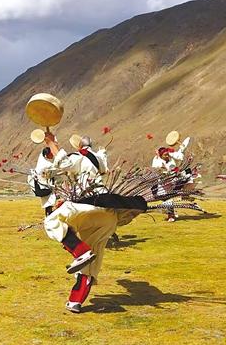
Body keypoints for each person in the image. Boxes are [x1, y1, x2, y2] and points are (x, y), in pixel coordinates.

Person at [42, 131, 148, 313]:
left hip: (91, 206)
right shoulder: (99, 159)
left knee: (52, 221)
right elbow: (102, 168)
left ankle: (80, 251)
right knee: (92, 259)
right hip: (110, 215)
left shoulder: (79, 156)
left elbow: (64, 163)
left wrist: (52, 143)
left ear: (79, 147)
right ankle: (75, 301)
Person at [151, 136, 191, 221]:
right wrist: (166, 172)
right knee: (168, 200)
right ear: (161, 156)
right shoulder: (157, 161)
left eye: (167, 154)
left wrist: (183, 147)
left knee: (188, 174)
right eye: (165, 155)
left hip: (172, 181)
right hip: (163, 184)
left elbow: (179, 154)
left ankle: (184, 195)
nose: (167, 156)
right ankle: (170, 215)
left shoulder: (170, 156)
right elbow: (158, 171)